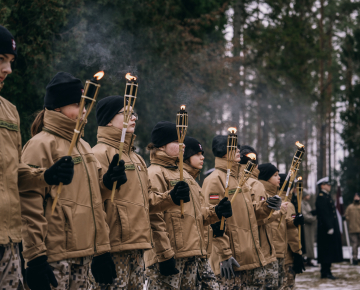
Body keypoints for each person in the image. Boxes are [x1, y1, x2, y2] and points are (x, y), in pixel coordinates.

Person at [19, 72, 126, 290]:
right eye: (77, 104)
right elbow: (29, 205)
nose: (84, 110)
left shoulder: (84, 146)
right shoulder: (40, 145)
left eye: (85, 104)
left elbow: (96, 201)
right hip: (54, 256)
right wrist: (35, 257)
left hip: (84, 255)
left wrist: (107, 182)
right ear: (58, 107)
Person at [0, 26, 77, 289]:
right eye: (1, 60)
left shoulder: (8, 111)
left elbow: (12, 175)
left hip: (8, 241)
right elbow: (33, 207)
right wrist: (38, 255)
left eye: (9, 62)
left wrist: (44, 176)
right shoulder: (40, 143)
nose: (8, 70)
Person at [91, 96, 190, 289]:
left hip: (137, 247)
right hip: (111, 248)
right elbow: (92, 204)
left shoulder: (137, 159)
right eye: (126, 113)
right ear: (109, 120)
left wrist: (171, 197)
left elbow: (148, 202)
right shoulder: (98, 154)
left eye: (134, 113)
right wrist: (99, 251)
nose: (134, 117)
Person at [144, 122, 231, 289]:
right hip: (170, 255)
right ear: (162, 146)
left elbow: (197, 215)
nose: (182, 145)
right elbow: (154, 217)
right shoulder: (155, 173)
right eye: (177, 142)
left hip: (190, 253)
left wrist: (216, 212)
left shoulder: (185, 176)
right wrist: (164, 254)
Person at [202, 138, 279, 290]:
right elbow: (212, 221)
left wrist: (267, 206)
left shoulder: (239, 180)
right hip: (229, 260)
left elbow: (250, 213)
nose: (238, 150)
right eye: (233, 148)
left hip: (247, 257)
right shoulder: (214, 180)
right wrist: (224, 254)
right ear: (223, 152)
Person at [239, 146, 287, 289]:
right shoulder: (256, 185)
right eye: (275, 175)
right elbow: (257, 218)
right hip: (260, 250)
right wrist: (276, 212)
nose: (279, 178)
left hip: (259, 249)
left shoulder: (240, 181)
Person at [182, 136, 219, 289]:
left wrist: (216, 212)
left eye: (202, 153)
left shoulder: (193, 181)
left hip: (200, 252)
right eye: (197, 154)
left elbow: (198, 213)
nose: (202, 157)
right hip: (186, 251)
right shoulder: (182, 178)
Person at [258, 164, 302, 290]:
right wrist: (297, 252)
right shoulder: (277, 201)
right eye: (274, 175)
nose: (277, 178)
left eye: (278, 175)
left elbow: (284, 225)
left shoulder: (279, 200)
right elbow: (290, 233)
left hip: (279, 252)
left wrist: (294, 221)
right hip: (277, 253)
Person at [315, 177, 343, 279]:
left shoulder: (326, 196)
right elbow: (324, 213)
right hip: (325, 229)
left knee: (329, 250)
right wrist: (329, 227)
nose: (329, 186)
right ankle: (325, 271)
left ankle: (327, 270)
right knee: (326, 250)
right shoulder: (321, 197)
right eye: (328, 184)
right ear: (322, 185)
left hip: (329, 228)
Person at [282, 177, 305, 290]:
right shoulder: (287, 205)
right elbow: (291, 232)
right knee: (288, 285)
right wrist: (297, 252)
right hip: (287, 255)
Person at [301, 190, 317, 266]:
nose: (309, 196)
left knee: (310, 242)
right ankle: (304, 258)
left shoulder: (307, 204)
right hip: (305, 226)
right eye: (307, 195)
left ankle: (309, 259)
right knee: (306, 242)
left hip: (310, 227)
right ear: (304, 195)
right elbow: (304, 215)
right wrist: (314, 218)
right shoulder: (301, 204)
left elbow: (309, 213)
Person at [345, 192, 360, 265]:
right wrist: (346, 218)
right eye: (355, 196)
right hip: (353, 229)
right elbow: (346, 215)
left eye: (357, 196)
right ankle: (355, 258)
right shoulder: (350, 207)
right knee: (354, 244)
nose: (356, 198)